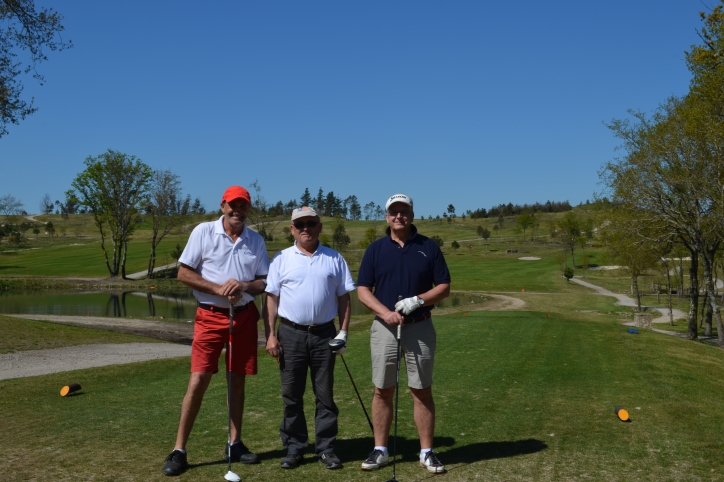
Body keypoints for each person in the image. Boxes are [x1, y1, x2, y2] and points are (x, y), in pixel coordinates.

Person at [162, 186, 270, 477]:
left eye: (243, 206)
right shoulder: (203, 232)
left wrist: (244, 286)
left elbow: (264, 282)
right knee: (198, 380)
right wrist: (218, 289)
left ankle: (234, 443)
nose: (238, 211)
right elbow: (184, 272)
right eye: (233, 205)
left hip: (244, 317)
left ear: (249, 209)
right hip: (210, 317)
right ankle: (179, 450)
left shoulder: (255, 239)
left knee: (237, 381)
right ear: (223, 206)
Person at [356, 193, 451, 474]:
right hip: (384, 327)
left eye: (404, 211)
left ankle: (426, 452)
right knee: (382, 389)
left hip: (419, 326)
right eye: (394, 212)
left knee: (421, 390)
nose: (399, 216)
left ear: (411, 214)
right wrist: (385, 313)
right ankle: (381, 450)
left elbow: (444, 286)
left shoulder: (428, 247)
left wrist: (418, 300)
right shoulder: (375, 249)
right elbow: (363, 290)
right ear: (387, 216)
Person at [264, 206, 355, 470]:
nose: (306, 228)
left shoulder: (334, 258)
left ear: (319, 227)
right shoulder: (281, 258)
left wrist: (343, 332)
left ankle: (326, 449)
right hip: (290, 334)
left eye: (311, 223)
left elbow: (344, 298)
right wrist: (270, 335)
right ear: (292, 229)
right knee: (291, 394)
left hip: (324, 334)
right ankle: (295, 448)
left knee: (325, 395)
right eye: (300, 224)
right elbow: (271, 299)